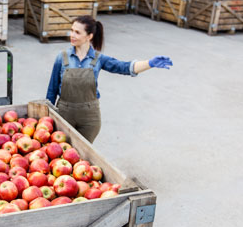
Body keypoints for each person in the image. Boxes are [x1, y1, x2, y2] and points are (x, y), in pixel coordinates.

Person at [46, 15, 173, 143]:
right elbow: (52, 89)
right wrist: (46, 115)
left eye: (77, 32)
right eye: (72, 30)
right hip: (64, 113)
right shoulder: (62, 57)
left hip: (89, 118)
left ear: (89, 36)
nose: (72, 35)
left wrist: (149, 63)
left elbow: (124, 67)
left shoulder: (99, 59)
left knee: (83, 157)